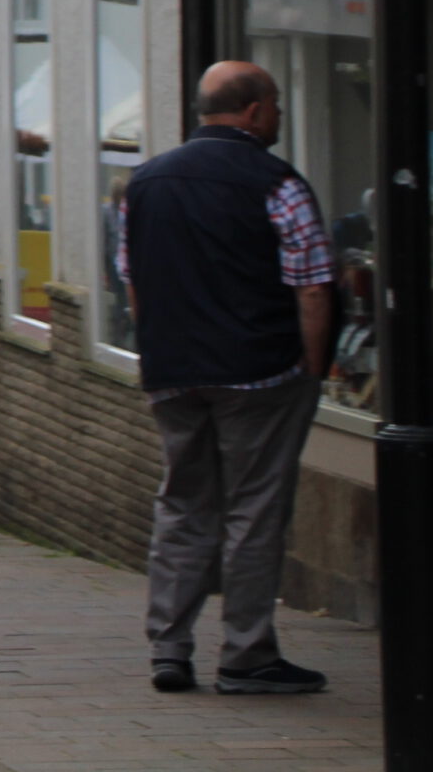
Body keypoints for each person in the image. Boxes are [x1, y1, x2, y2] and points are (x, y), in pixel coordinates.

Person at [120, 62, 334, 695]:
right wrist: (315, 367)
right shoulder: (276, 183)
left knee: (183, 504)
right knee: (253, 509)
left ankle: (170, 648)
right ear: (253, 112)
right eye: (273, 106)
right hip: (260, 372)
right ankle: (245, 654)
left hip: (174, 373)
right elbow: (313, 287)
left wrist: (159, 350)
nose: (276, 117)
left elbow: (133, 277)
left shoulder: (145, 182)